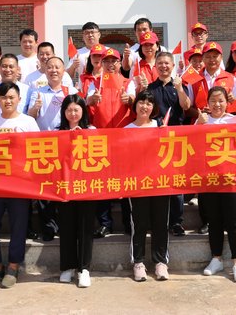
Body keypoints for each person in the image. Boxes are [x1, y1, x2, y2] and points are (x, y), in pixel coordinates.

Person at [0, 81, 40, 289]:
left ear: (19, 99)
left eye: (11, 97)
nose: (8, 101)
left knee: (19, 225)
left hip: (20, 184)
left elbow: (38, 149)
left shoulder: (28, 122)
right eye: (3, 97)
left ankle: (13, 266)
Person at [197, 86, 236, 283]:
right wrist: (198, 125)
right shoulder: (202, 121)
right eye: (213, 101)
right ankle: (216, 258)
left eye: (220, 101)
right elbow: (191, 146)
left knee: (234, 221)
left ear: (227, 103)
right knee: (214, 220)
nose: (217, 104)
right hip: (209, 179)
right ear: (207, 104)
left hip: (232, 180)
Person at [84, 47, 135, 237]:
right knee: (103, 182)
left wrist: (130, 99)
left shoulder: (127, 82)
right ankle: (105, 223)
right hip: (101, 139)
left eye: (114, 61)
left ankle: (129, 222)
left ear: (120, 63)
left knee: (126, 182)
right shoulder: (95, 83)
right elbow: (86, 103)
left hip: (124, 140)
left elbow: (135, 101)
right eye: (107, 61)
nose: (110, 64)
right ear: (102, 63)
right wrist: (91, 99)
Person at [27, 57, 78, 240]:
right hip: (45, 145)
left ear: (64, 70)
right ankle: (48, 227)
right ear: (45, 70)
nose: (53, 70)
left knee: (65, 185)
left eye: (57, 67)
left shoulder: (71, 91)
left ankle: (65, 225)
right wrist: (35, 108)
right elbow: (30, 116)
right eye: (50, 67)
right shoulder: (37, 91)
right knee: (46, 188)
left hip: (67, 145)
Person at [125, 91, 171, 281]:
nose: (145, 106)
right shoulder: (126, 129)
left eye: (149, 103)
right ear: (135, 105)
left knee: (161, 223)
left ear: (154, 108)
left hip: (160, 183)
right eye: (141, 102)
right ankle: (138, 262)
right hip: (137, 184)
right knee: (139, 223)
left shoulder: (161, 126)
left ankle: (160, 262)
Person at [147, 52, 192, 236]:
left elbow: (186, 106)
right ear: (155, 66)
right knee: (158, 181)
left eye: (167, 63)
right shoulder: (150, 88)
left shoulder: (180, 85)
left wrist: (180, 89)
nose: (163, 66)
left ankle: (176, 222)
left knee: (176, 182)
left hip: (176, 139)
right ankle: (159, 220)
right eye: (160, 63)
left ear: (173, 66)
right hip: (155, 140)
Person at [57, 95, 96, 288]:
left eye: (76, 110)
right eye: (69, 110)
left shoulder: (92, 131)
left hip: (86, 187)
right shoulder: (56, 133)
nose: (73, 113)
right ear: (64, 112)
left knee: (85, 228)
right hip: (64, 187)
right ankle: (67, 266)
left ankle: (84, 269)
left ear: (83, 111)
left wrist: (84, 138)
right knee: (67, 227)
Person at [0, 54, 30, 118]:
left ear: (17, 69)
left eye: (11, 67)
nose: (8, 70)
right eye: (4, 66)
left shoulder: (28, 90)